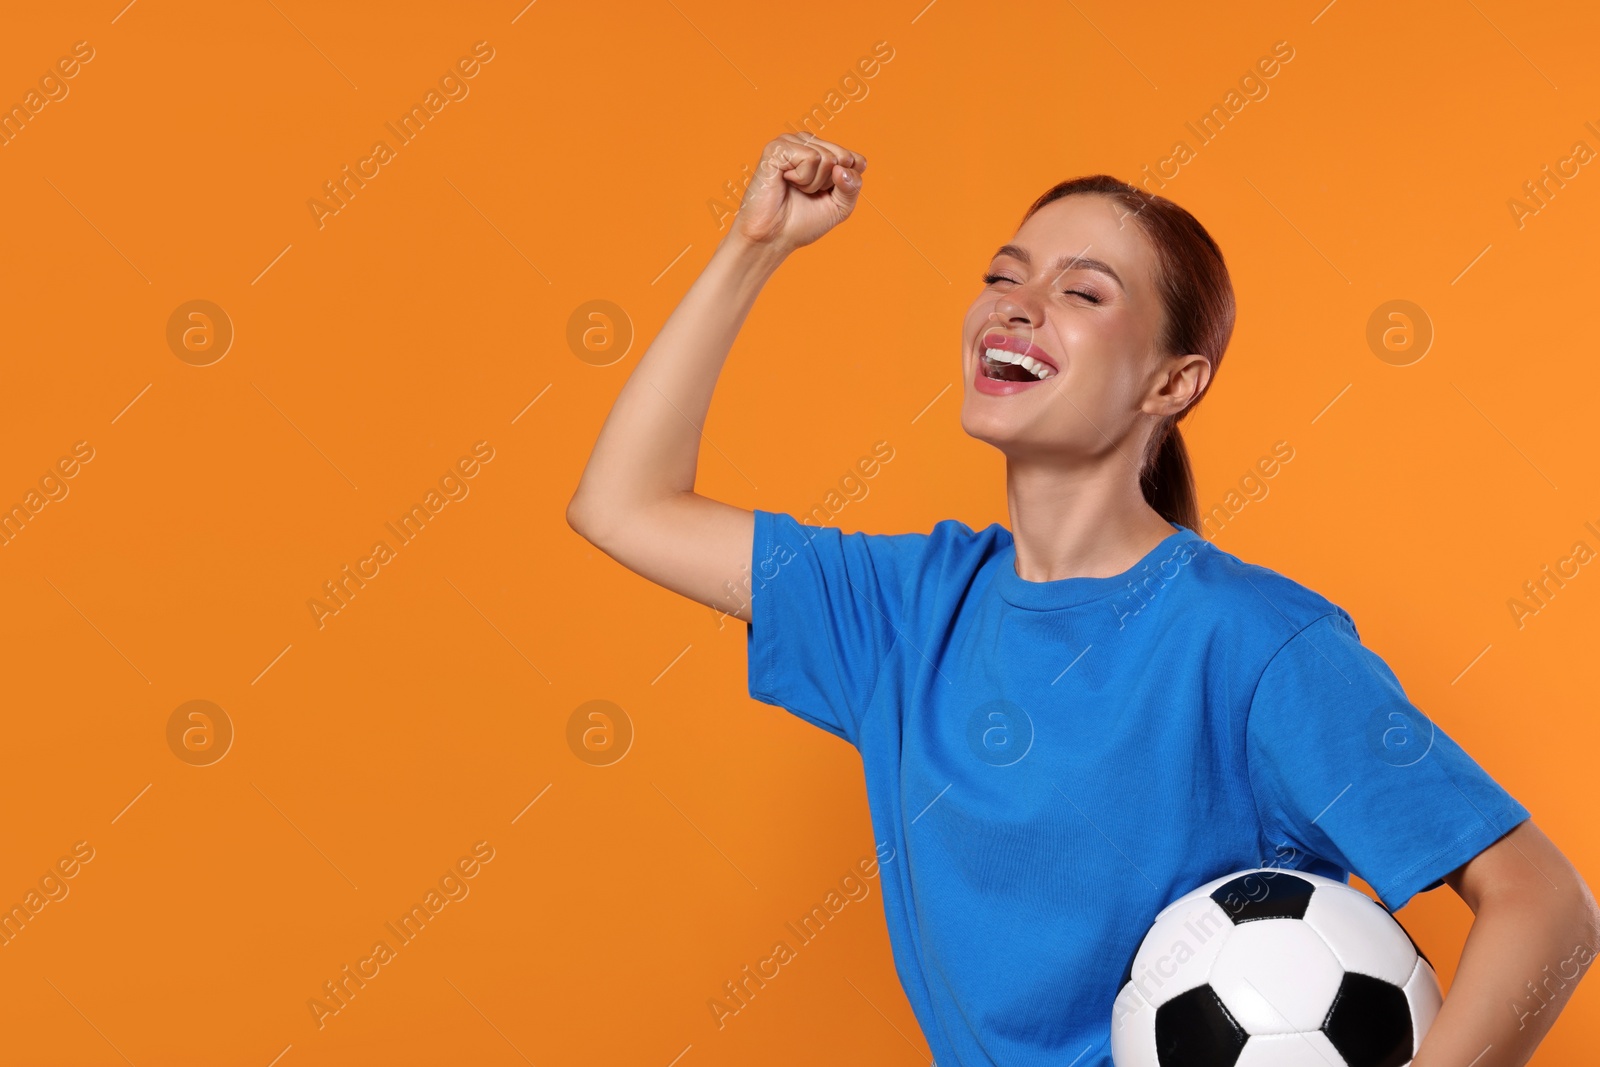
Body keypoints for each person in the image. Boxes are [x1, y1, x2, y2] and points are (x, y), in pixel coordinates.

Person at [566, 133, 1599, 1066]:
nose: (1018, 302)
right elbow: (624, 504)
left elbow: (1546, 904)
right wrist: (756, 246)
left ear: (1172, 384)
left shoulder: (1251, 643)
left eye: (1083, 291)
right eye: (1002, 277)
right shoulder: (905, 608)